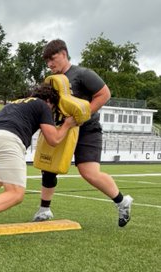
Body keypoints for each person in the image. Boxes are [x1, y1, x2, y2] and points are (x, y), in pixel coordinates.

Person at [33, 39, 133, 227]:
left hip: (87, 129)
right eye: (47, 61)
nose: (49, 64)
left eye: (52, 59)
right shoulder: (52, 80)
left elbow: (104, 94)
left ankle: (122, 202)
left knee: (89, 173)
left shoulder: (83, 74)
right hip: (63, 127)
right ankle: (44, 210)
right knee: (49, 166)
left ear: (64, 54)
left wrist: (82, 116)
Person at [0, 84, 76, 247]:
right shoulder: (42, 105)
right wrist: (67, 124)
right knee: (16, 193)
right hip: (7, 139)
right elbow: (54, 139)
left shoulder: (18, 102)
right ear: (49, 101)